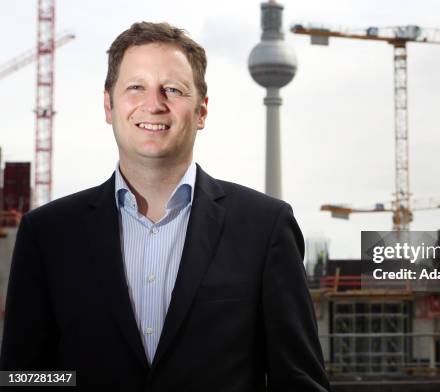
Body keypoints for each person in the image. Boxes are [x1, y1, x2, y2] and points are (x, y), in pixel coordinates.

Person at [0, 21, 330, 391]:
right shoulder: (48, 234)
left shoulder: (265, 227)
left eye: (172, 90)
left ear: (202, 111)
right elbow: (25, 379)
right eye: (136, 87)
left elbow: (299, 382)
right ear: (108, 105)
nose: (154, 104)